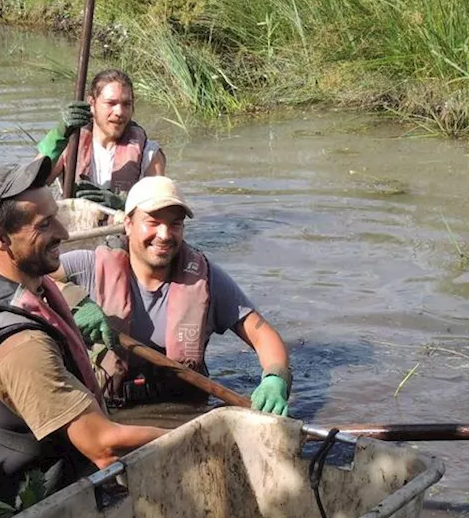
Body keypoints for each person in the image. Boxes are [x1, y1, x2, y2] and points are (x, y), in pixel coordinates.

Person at [0, 155, 168, 502]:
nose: (64, 233)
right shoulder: (21, 346)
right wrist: (201, 431)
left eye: (56, 218)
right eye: (44, 226)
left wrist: (71, 298)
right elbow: (102, 445)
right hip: (40, 506)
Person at [56, 176, 292, 415]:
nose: (164, 234)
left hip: (183, 409)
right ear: (128, 224)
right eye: (153, 222)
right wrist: (72, 300)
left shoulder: (205, 280)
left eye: (175, 224)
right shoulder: (89, 268)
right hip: (109, 409)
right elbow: (26, 276)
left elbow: (264, 336)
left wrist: (275, 379)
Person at [38, 69, 166, 210]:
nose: (119, 112)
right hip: (76, 226)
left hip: (122, 229)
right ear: (92, 103)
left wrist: (123, 204)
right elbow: (30, 186)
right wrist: (59, 134)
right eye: (111, 103)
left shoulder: (149, 153)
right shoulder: (70, 142)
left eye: (126, 104)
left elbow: (159, 208)